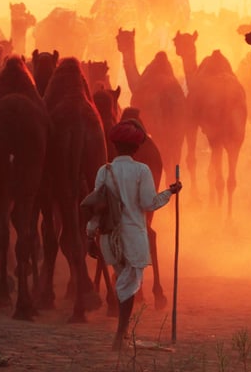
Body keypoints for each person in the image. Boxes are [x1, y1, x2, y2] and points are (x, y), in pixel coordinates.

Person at [85, 119, 182, 351]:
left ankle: (122, 334)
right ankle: (120, 335)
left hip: (110, 239)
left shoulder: (103, 171)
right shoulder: (142, 170)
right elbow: (149, 203)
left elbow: (97, 207)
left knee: (122, 279)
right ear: (137, 148)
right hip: (134, 237)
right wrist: (170, 192)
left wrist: (90, 236)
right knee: (129, 285)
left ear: (115, 146)